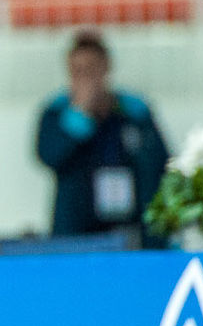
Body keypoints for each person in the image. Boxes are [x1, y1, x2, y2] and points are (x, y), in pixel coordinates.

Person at [35, 31, 168, 242]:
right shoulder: (57, 112)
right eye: (78, 71)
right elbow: (49, 156)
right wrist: (80, 116)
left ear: (106, 67)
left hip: (130, 228)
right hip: (75, 232)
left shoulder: (133, 111)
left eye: (91, 70)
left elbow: (159, 163)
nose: (86, 78)